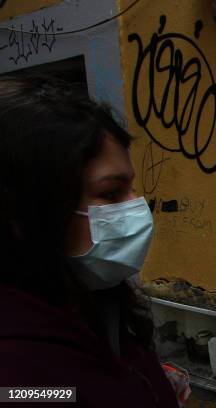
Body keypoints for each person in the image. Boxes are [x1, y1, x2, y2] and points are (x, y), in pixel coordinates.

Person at [0, 75, 181, 407]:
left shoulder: (95, 300)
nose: (137, 207)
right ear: (27, 211)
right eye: (111, 193)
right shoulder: (15, 372)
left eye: (130, 188)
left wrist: (150, 385)